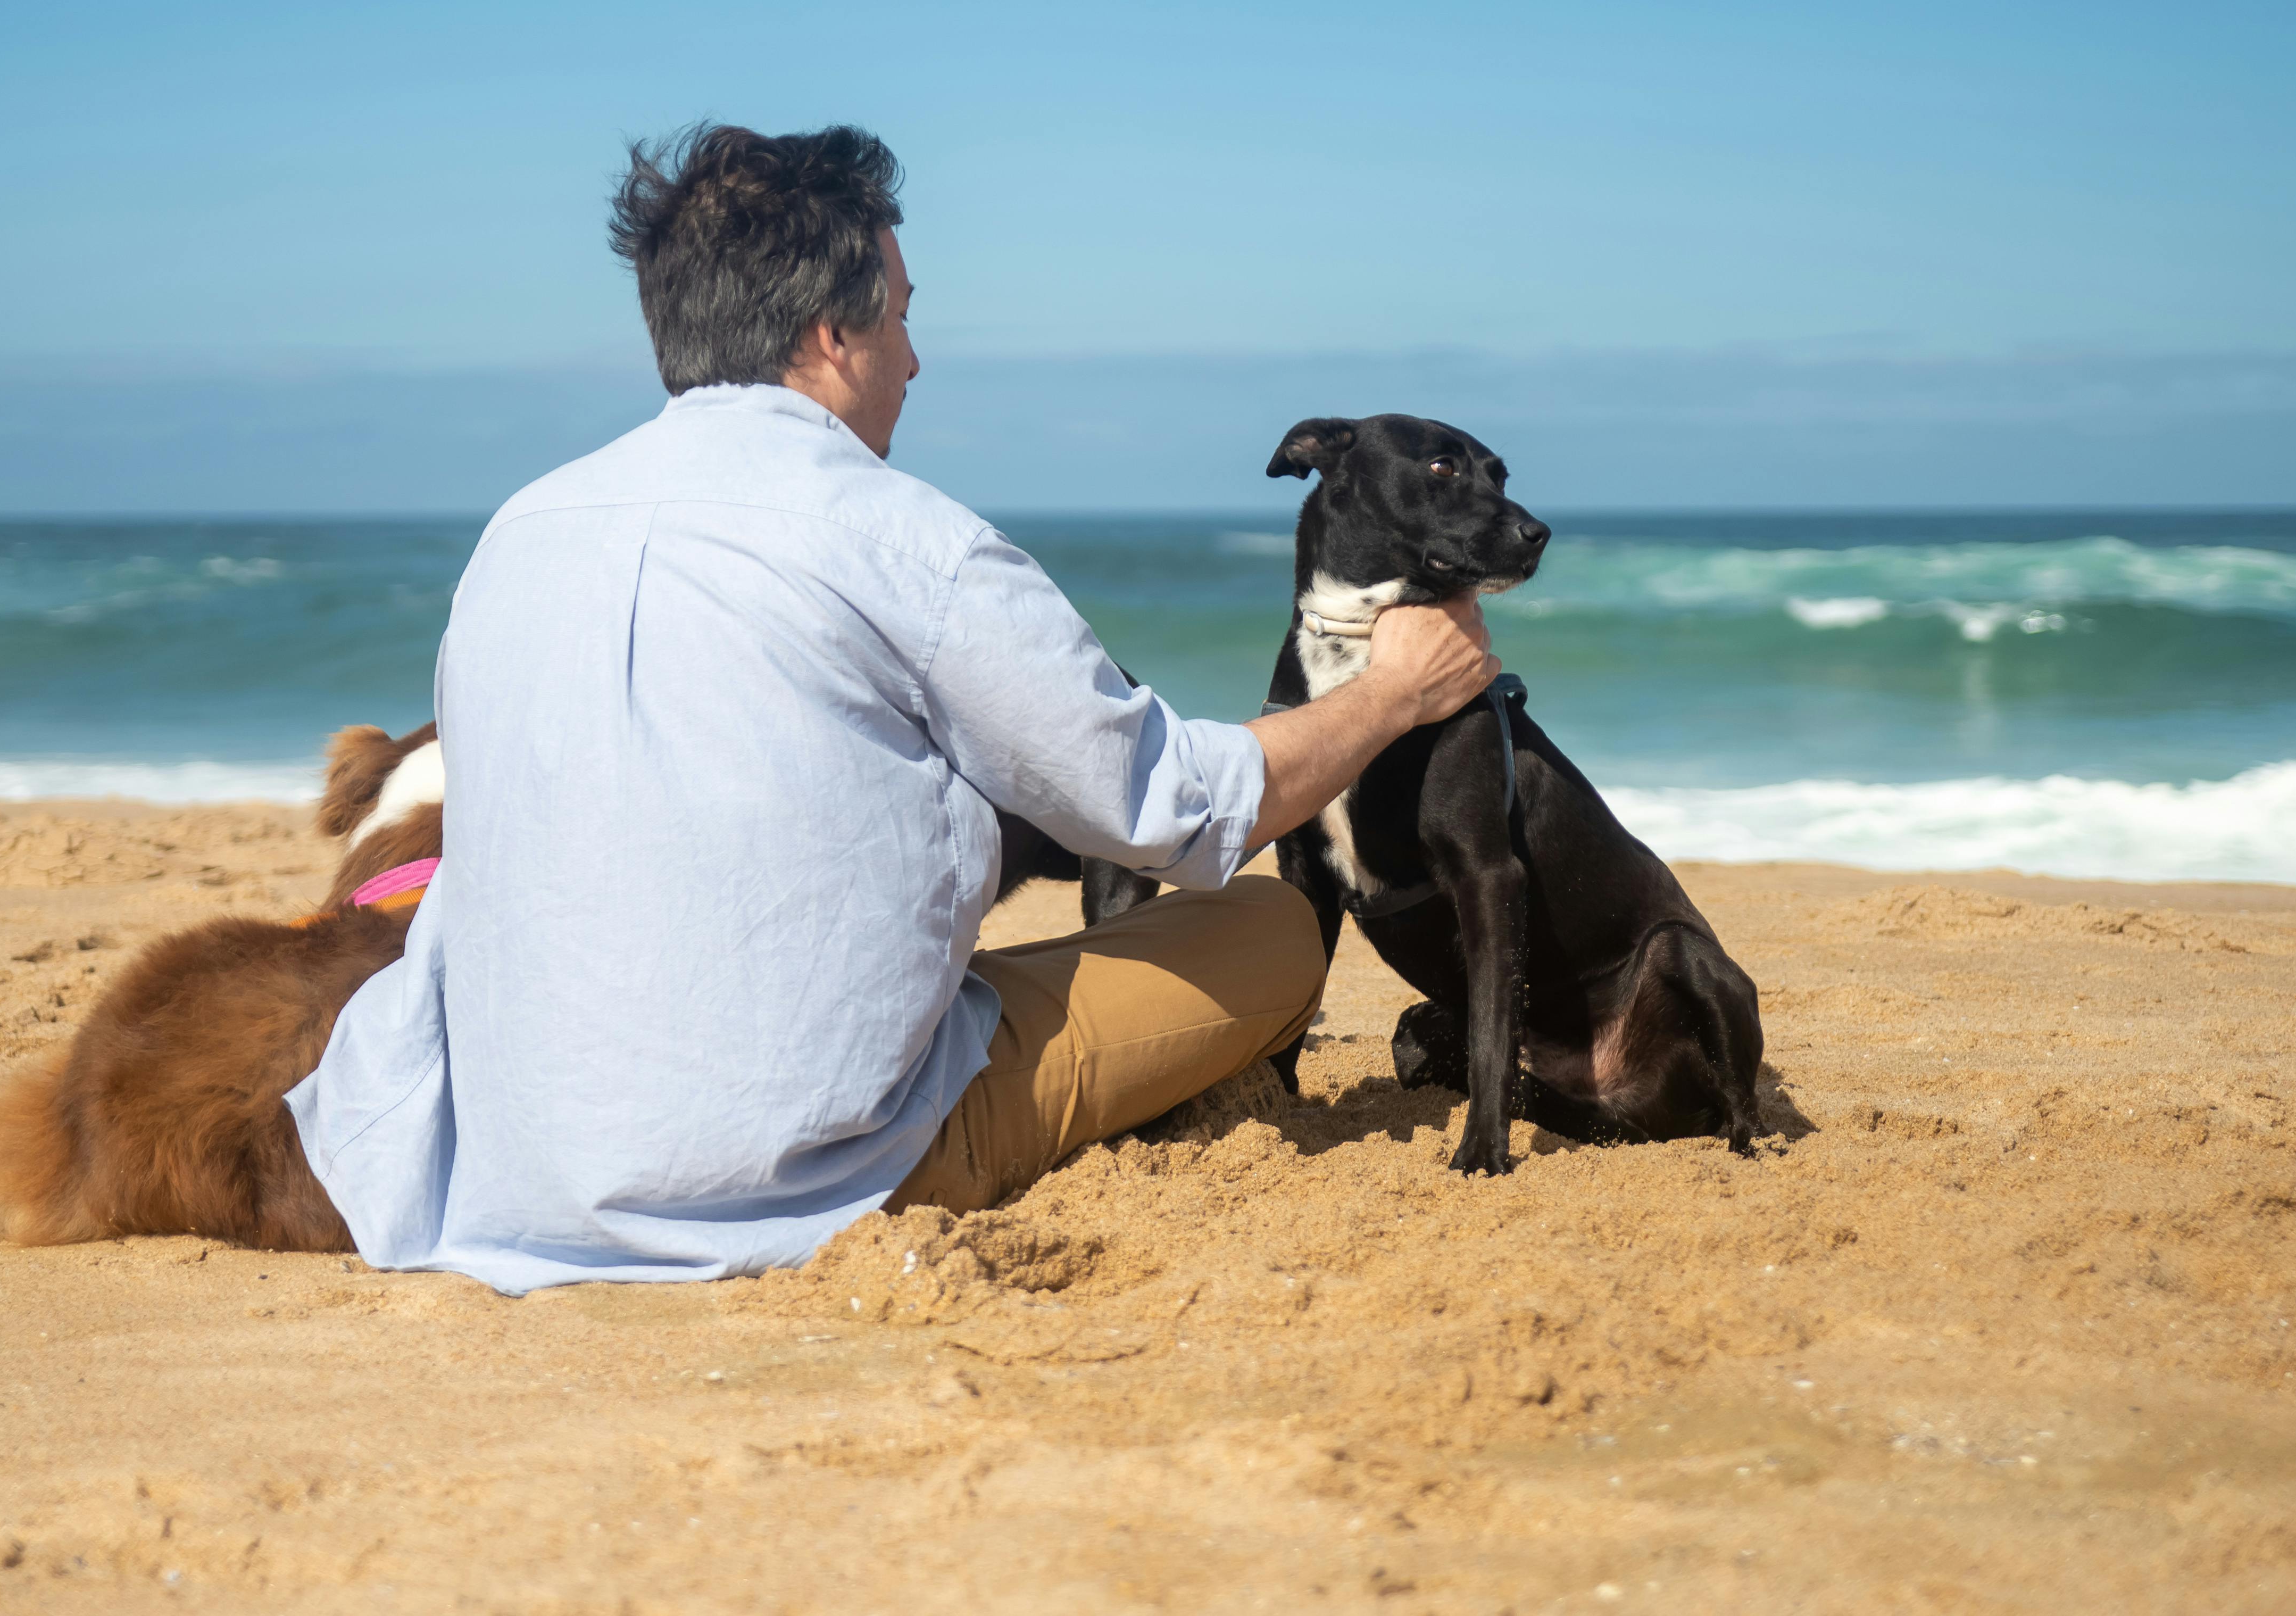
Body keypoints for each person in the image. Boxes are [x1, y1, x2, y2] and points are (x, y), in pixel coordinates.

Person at [285, 125, 1499, 1290]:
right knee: (1270, 935)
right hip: (799, 1182)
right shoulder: (910, 541)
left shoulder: (518, 534)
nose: (913, 359)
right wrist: (1397, 690)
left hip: (505, 1172)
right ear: (831, 332)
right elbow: (1181, 811)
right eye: (904, 317)